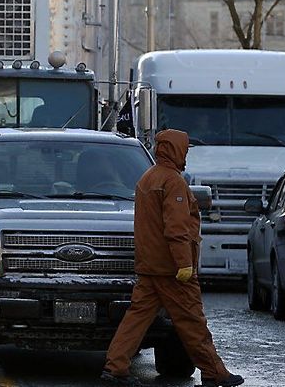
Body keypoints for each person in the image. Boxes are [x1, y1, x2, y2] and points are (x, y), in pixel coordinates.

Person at [101, 129, 243, 387]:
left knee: (136, 319)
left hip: (150, 267)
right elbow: (176, 228)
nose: (186, 155)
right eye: (184, 150)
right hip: (172, 270)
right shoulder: (173, 182)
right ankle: (214, 372)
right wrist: (184, 264)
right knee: (192, 321)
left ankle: (115, 367)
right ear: (175, 150)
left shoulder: (147, 178)